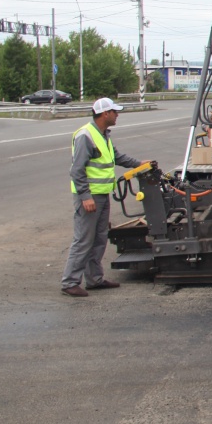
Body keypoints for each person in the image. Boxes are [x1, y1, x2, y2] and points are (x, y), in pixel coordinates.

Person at [61, 98, 154, 297]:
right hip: (90, 197)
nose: (117, 115)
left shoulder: (103, 135)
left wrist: (138, 163)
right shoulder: (86, 136)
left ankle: (94, 279)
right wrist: (85, 196)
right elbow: (77, 170)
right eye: (115, 112)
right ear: (105, 114)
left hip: (101, 195)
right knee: (84, 240)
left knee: (99, 239)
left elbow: (116, 157)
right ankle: (69, 282)